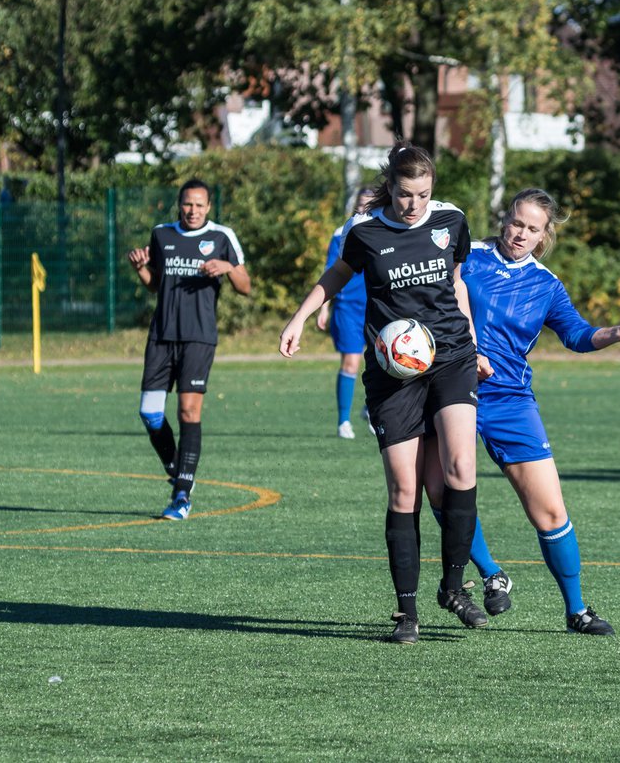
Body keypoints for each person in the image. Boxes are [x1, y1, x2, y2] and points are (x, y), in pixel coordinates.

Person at [279, 142, 485, 645]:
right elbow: (336, 275)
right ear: (389, 187)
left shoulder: (452, 221)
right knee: (404, 489)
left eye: (423, 194)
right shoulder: (365, 232)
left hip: (451, 356)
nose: (413, 204)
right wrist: (299, 317)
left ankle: (455, 588)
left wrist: (474, 344)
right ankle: (406, 612)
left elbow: (456, 284)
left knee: (461, 467)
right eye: (405, 193)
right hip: (393, 372)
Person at [427, 188, 620, 636]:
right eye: (516, 222)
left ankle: (578, 611)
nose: (520, 233)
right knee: (442, 494)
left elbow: (576, 334)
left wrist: (618, 331)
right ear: (504, 219)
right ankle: (493, 572)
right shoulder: (465, 257)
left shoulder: (546, 285)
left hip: (510, 401)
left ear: (544, 235)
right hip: (451, 391)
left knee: (550, 513)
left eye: (532, 228)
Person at [128, 179, 251, 520]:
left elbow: (245, 286)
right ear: (178, 205)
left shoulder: (222, 237)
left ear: (208, 207)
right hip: (161, 336)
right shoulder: (161, 234)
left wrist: (228, 268)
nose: (193, 210)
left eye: (199, 205)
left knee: (187, 412)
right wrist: (140, 268)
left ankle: (181, 496)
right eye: (187, 204)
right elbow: (156, 284)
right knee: (149, 412)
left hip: (199, 337)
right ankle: (177, 466)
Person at [315, 188, 378, 439]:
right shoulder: (342, 234)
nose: (364, 210)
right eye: (360, 206)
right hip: (348, 308)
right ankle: (343, 421)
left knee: (382, 363)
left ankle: (371, 409)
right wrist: (324, 307)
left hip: (377, 305)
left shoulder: (385, 233)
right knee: (351, 362)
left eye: (369, 206)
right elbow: (332, 271)